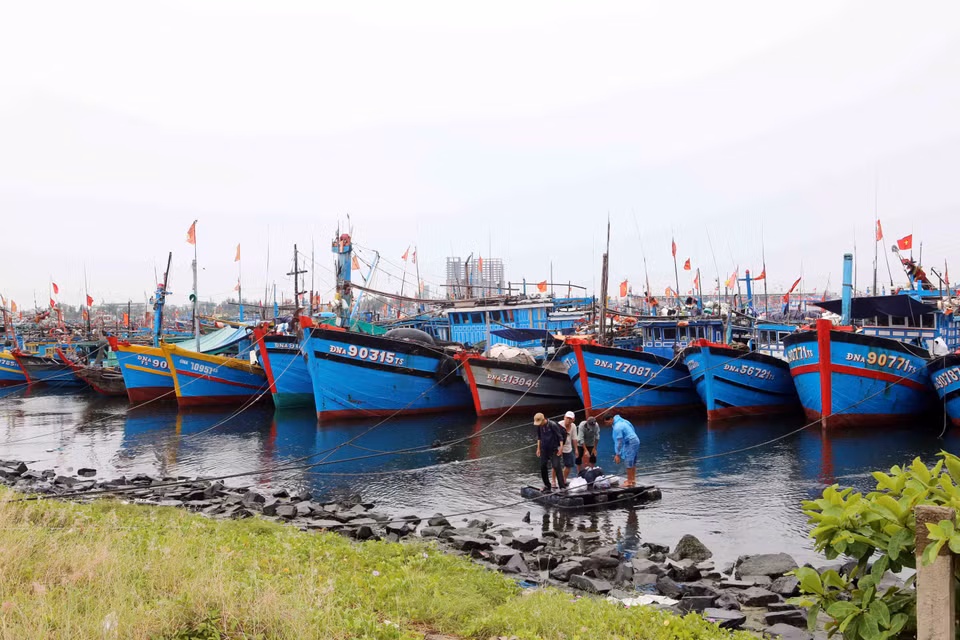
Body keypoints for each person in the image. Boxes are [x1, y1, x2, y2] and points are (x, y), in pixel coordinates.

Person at [604, 413, 640, 487]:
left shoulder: (617, 427)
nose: (606, 424)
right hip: (635, 439)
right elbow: (632, 427)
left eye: (607, 422)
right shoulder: (622, 421)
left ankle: (629, 481)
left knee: (628, 460)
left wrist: (617, 454)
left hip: (630, 442)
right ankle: (632, 479)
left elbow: (619, 442)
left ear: (611, 419)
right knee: (633, 461)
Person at [534, 412, 566, 491]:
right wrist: (538, 448)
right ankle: (547, 485)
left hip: (553, 449)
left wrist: (561, 448)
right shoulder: (539, 426)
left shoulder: (552, 425)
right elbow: (539, 437)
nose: (539, 424)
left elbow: (560, 437)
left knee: (556, 466)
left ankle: (562, 487)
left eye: (539, 423)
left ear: (543, 419)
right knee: (543, 466)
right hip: (544, 449)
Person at [559, 410, 578, 482]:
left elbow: (574, 438)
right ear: (564, 417)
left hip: (568, 447)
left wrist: (576, 449)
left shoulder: (573, 426)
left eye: (570, 419)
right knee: (555, 465)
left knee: (569, 464)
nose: (568, 420)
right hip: (558, 447)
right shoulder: (559, 425)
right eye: (567, 418)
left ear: (573, 420)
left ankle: (564, 479)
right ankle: (554, 481)